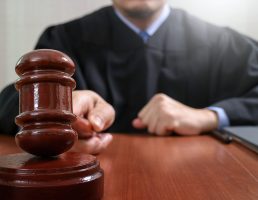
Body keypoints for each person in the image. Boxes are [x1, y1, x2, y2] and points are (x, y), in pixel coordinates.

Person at [1, 0, 258, 153]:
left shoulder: (220, 42)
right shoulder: (65, 39)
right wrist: (57, 106)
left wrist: (208, 117)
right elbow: (8, 102)